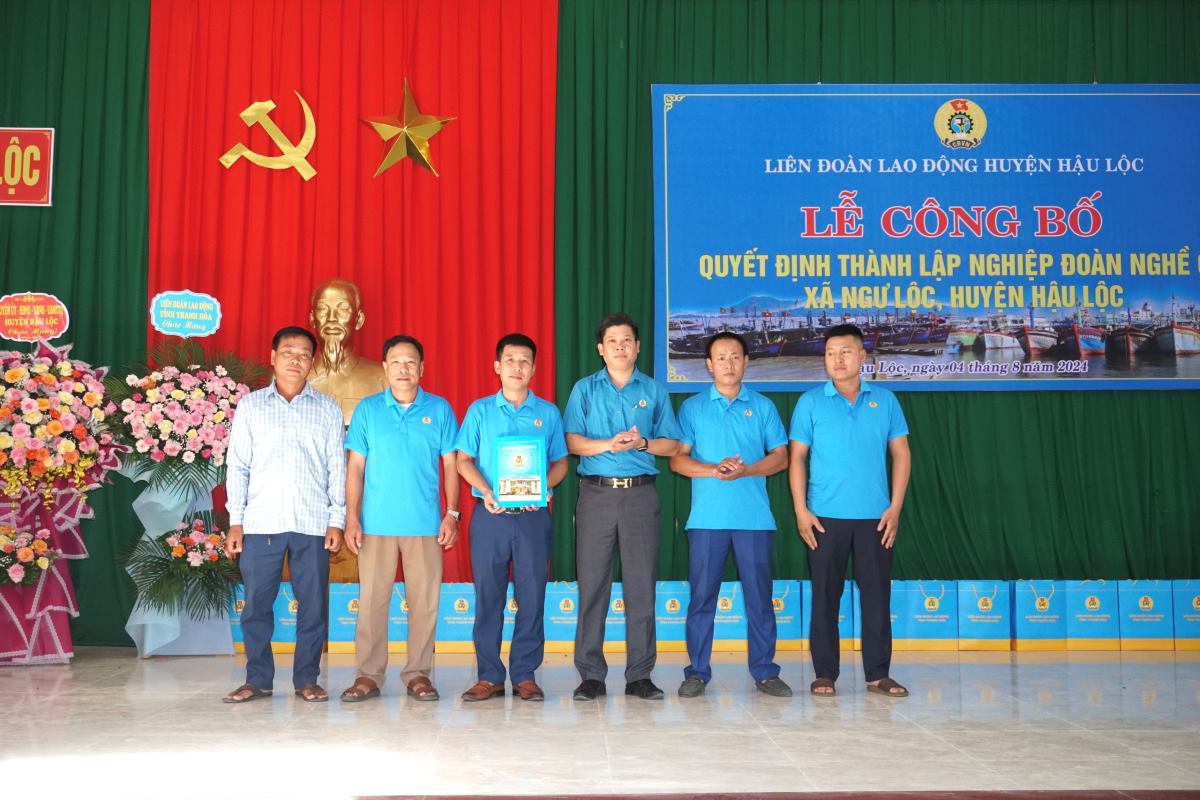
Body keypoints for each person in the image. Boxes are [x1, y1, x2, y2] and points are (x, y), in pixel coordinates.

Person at [223, 326, 346, 704]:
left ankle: (307, 679)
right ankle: (257, 680)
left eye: (305, 353)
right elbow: (238, 465)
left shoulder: (327, 407)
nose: (296, 359)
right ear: (273, 357)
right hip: (261, 523)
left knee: (314, 607)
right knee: (257, 605)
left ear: (313, 362)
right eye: (288, 351)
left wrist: (336, 519)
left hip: (311, 523)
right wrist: (236, 520)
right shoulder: (251, 405)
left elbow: (336, 467)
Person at [788, 323, 911, 698]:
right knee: (825, 598)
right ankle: (825, 673)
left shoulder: (885, 400)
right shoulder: (810, 402)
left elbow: (901, 454)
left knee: (877, 597)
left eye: (845, 352)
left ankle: (878, 673)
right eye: (830, 353)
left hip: (876, 517)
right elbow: (797, 460)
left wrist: (895, 508)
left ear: (862, 356)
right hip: (824, 518)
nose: (837, 360)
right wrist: (801, 511)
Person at [565, 312, 681, 701]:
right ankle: (591, 675)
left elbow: (673, 445)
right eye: (612, 341)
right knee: (592, 585)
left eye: (627, 340)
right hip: (596, 494)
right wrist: (608, 445)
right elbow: (571, 442)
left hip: (640, 496)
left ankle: (640, 675)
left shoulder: (653, 389)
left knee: (641, 587)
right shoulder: (584, 389)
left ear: (636, 347)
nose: (620, 347)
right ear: (601, 349)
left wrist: (643, 443)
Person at [669, 331, 792, 698]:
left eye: (735, 356)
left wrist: (747, 470)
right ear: (709, 365)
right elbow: (678, 461)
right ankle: (697, 672)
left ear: (746, 362)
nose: (728, 364)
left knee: (759, 598)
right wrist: (714, 470)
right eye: (720, 358)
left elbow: (781, 458)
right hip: (707, 520)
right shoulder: (692, 408)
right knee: (702, 599)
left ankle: (765, 671)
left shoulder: (764, 407)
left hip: (754, 519)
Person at [338, 335, 459, 703]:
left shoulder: (439, 410)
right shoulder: (368, 410)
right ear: (385, 368)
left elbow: (452, 464)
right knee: (373, 600)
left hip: (425, 524)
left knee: (425, 602)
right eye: (396, 362)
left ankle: (418, 674)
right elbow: (355, 466)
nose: (403, 368)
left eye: (411, 362)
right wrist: (352, 517)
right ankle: (369, 675)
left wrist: (451, 513)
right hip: (375, 525)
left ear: (421, 368)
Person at [455, 334, 567, 702]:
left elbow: (562, 462)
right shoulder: (480, 411)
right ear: (497, 367)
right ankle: (489, 675)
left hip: (533, 518)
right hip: (490, 517)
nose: (517, 367)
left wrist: (543, 488)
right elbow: (463, 460)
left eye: (524, 361)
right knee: (489, 596)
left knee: (532, 595)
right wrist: (487, 492)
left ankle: (525, 674)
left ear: (534, 368)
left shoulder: (547, 413)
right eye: (510, 360)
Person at [307, 278, 385, 425]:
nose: (332, 318)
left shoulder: (383, 378)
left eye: (343, 309)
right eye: (323, 309)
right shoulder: (290, 377)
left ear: (359, 320)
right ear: (312, 319)